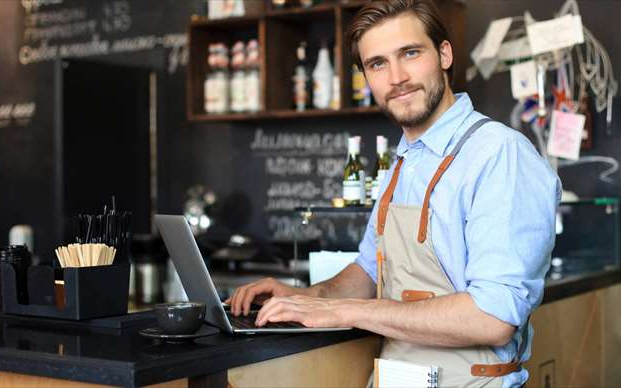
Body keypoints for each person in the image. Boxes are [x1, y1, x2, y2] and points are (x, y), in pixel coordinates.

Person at [227, 0, 561, 386]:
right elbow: (369, 271)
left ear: (444, 54)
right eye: (377, 64)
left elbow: (493, 317)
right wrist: (307, 296)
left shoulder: (499, 154)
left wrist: (345, 312)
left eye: (411, 53)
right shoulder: (401, 164)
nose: (397, 77)